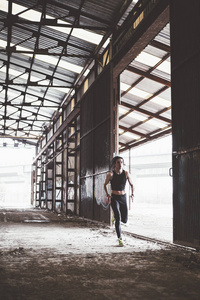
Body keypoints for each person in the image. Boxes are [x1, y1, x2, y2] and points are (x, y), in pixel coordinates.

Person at [104, 156, 134, 246]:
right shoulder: (110, 174)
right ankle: (120, 239)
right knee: (118, 218)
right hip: (114, 198)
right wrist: (107, 194)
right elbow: (104, 185)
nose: (120, 164)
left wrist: (132, 193)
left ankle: (116, 217)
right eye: (118, 162)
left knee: (124, 220)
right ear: (115, 164)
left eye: (121, 162)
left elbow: (132, 184)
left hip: (123, 197)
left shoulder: (126, 173)